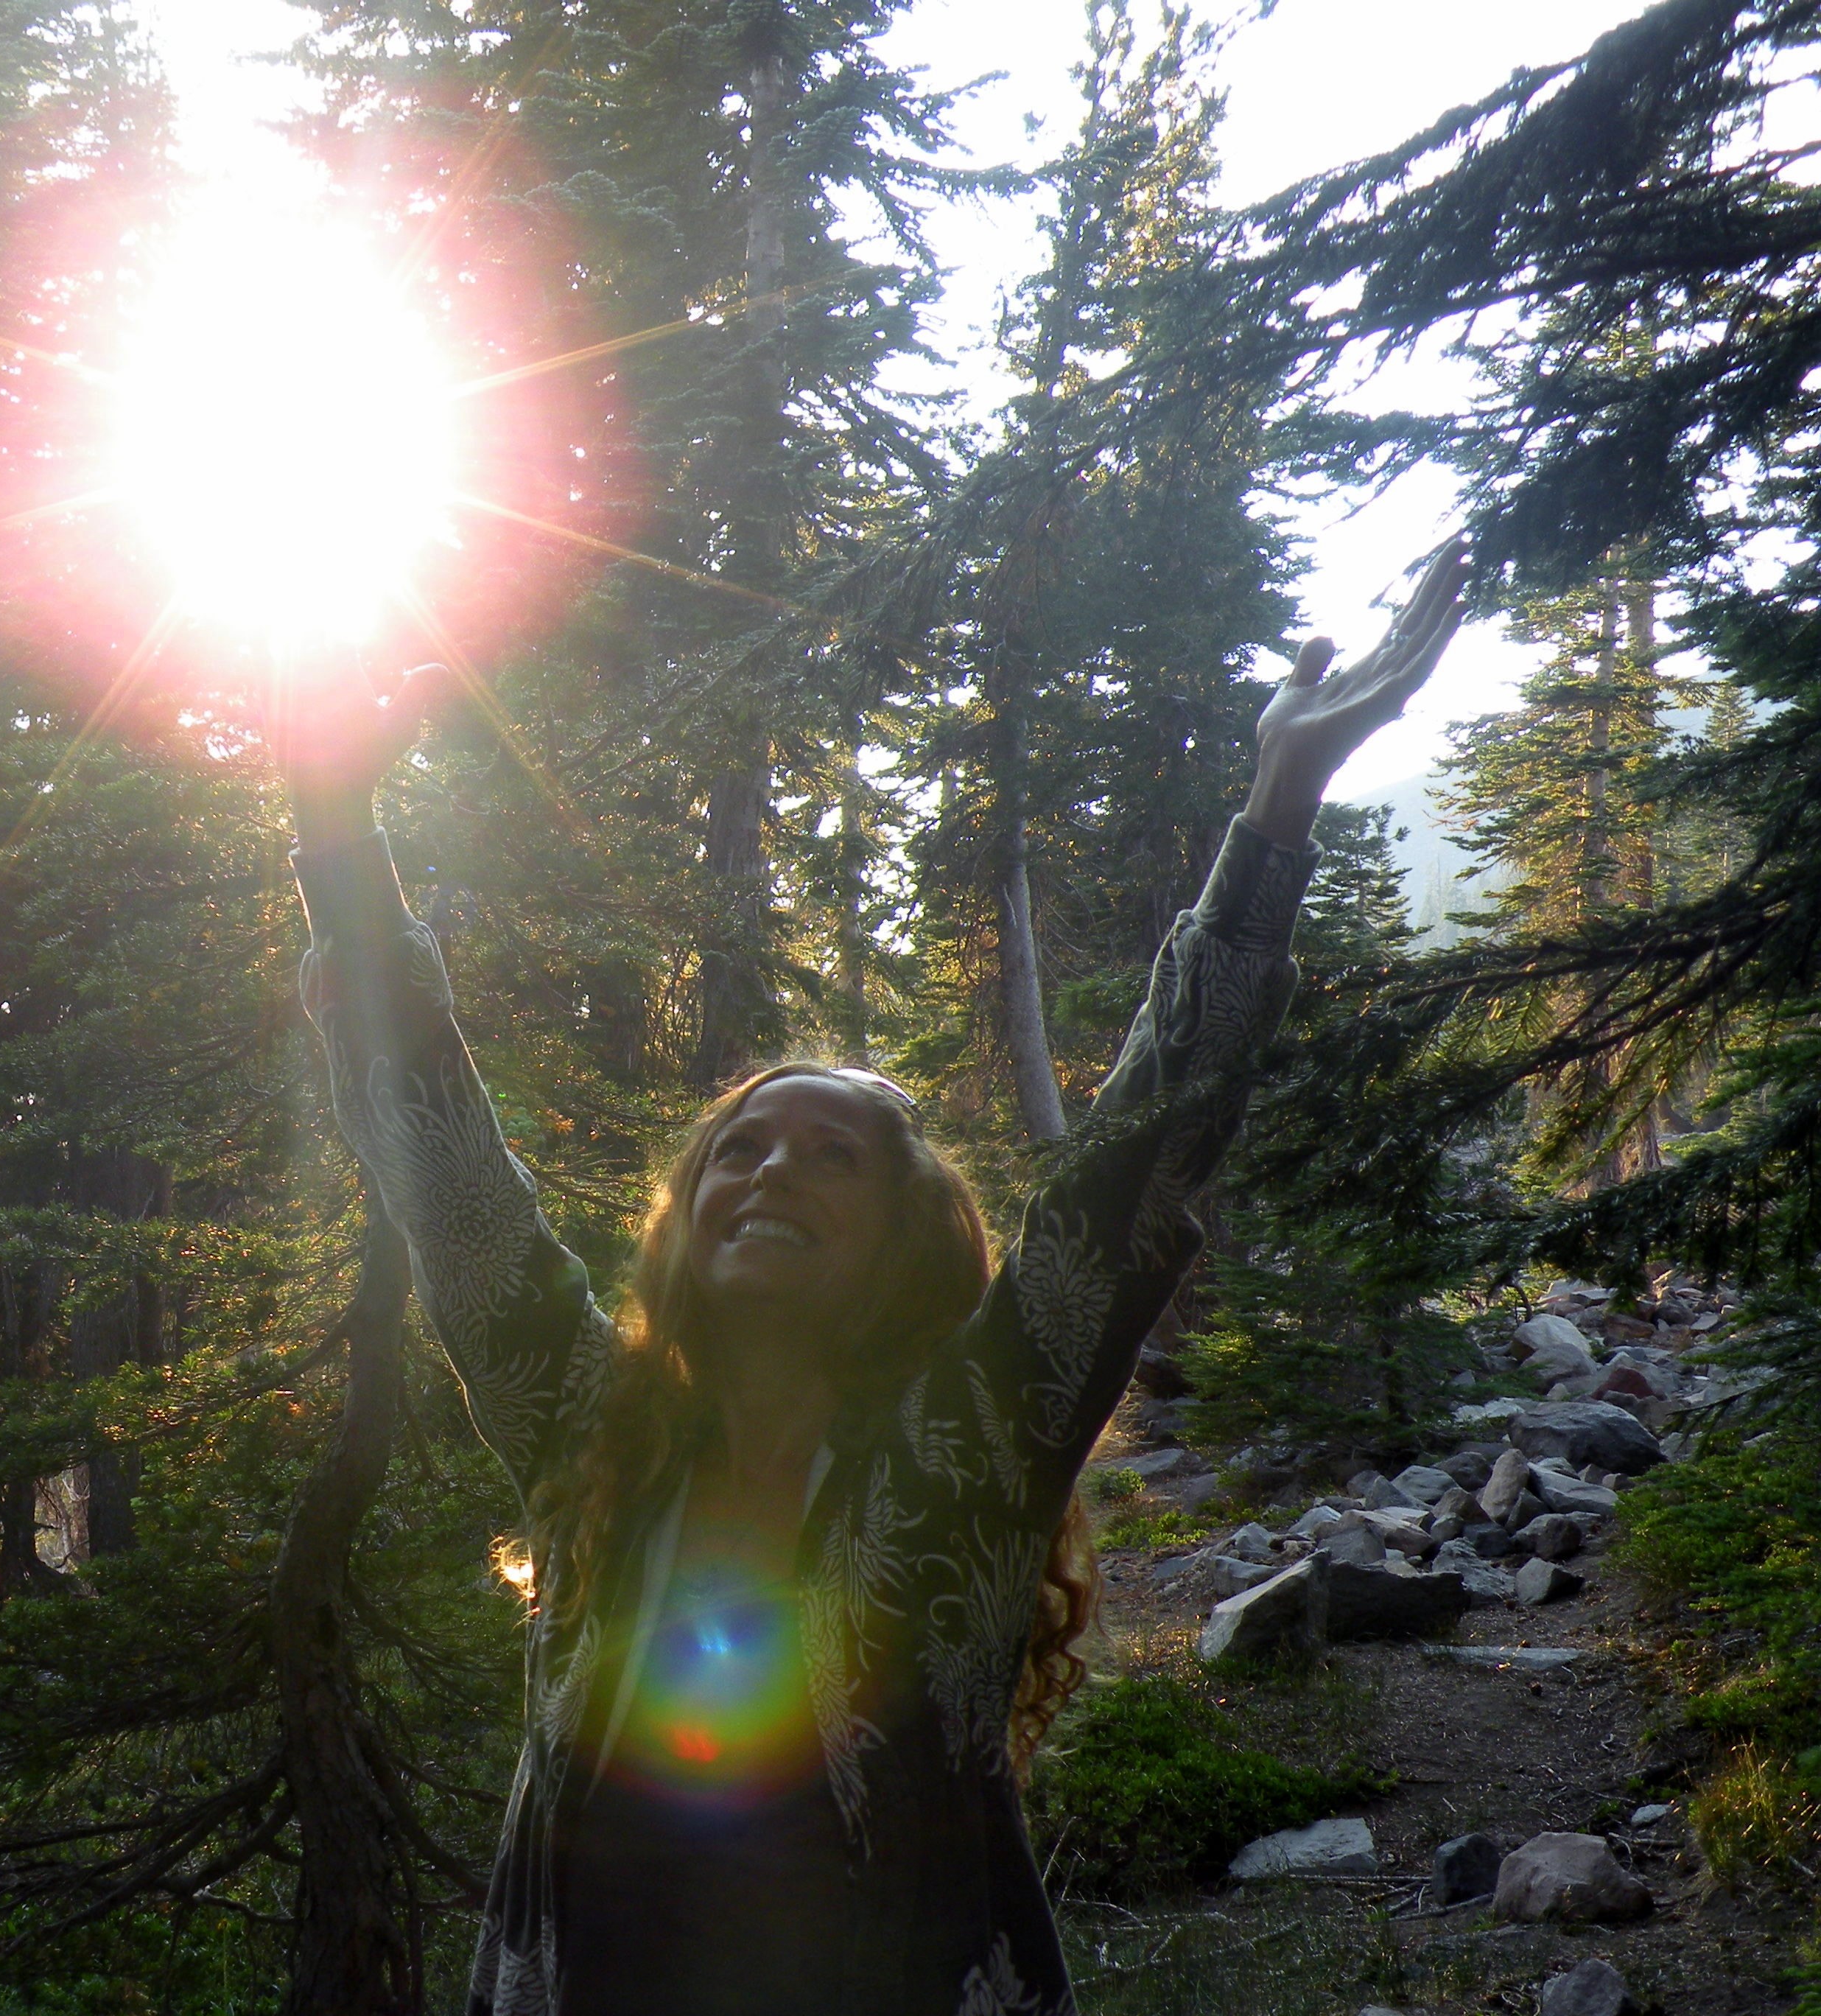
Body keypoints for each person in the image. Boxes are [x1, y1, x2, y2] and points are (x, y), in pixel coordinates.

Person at [276, 544, 1469, 2016]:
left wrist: (1275, 811)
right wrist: (335, 827)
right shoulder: (590, 1425)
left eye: (832, 1158)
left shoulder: (969, 1441)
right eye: (740, 1151)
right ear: (688, 1215)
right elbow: (449, 1178)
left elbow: (1141, 1159)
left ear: (907, 1241)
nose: (771, 1173)